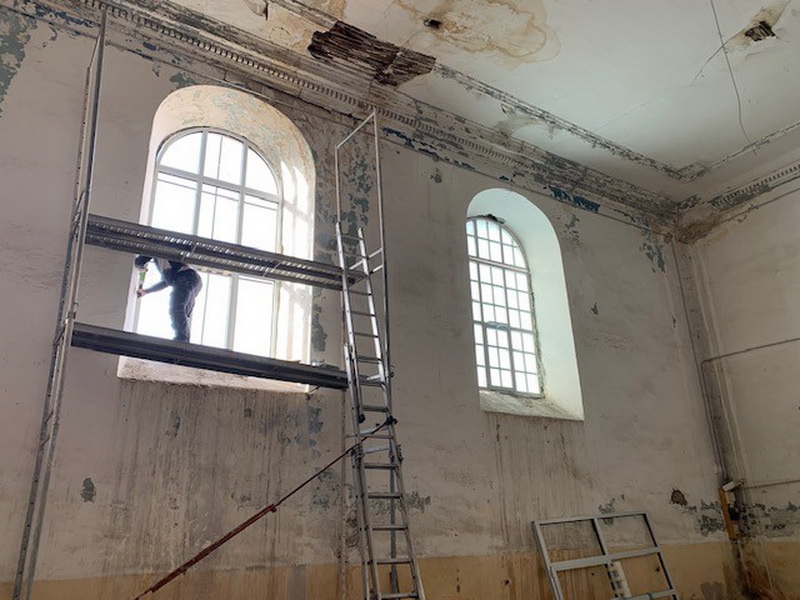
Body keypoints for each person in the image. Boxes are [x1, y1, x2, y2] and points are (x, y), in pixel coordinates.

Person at [134, 256, 202, 342]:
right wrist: (147, 291)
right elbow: (166, 282)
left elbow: (167, 281)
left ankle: (182, 339)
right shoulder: (169, 266)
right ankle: (184, 339)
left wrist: (139, 264)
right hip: (193, 281)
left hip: (186, 278)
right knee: (182, 311)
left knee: (177, 309)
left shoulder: (160, 255)